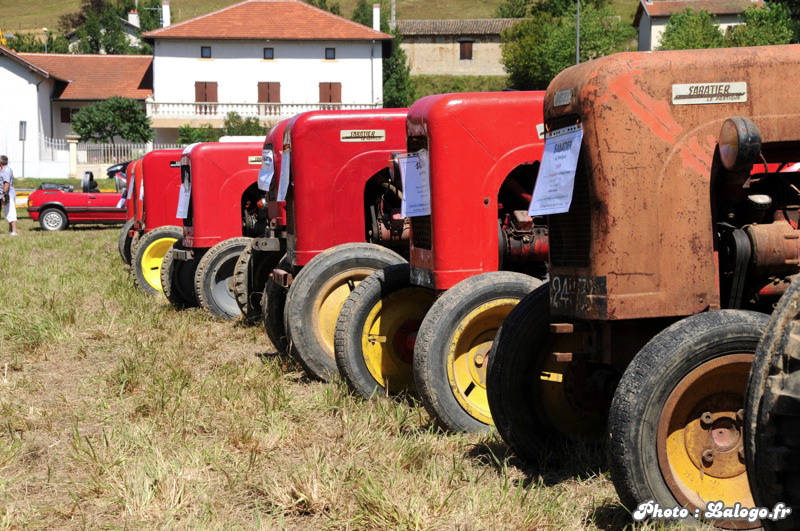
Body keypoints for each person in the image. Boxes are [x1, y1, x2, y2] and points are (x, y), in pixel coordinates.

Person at [0, 155, 18, 236]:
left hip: (8, 194)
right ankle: (10, 230)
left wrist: (3, 194)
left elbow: (6, 184)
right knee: (7, 213)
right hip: (6, 194)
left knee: (11, 212)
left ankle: (14, 231)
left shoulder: (6, 170)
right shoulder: (4, 169)